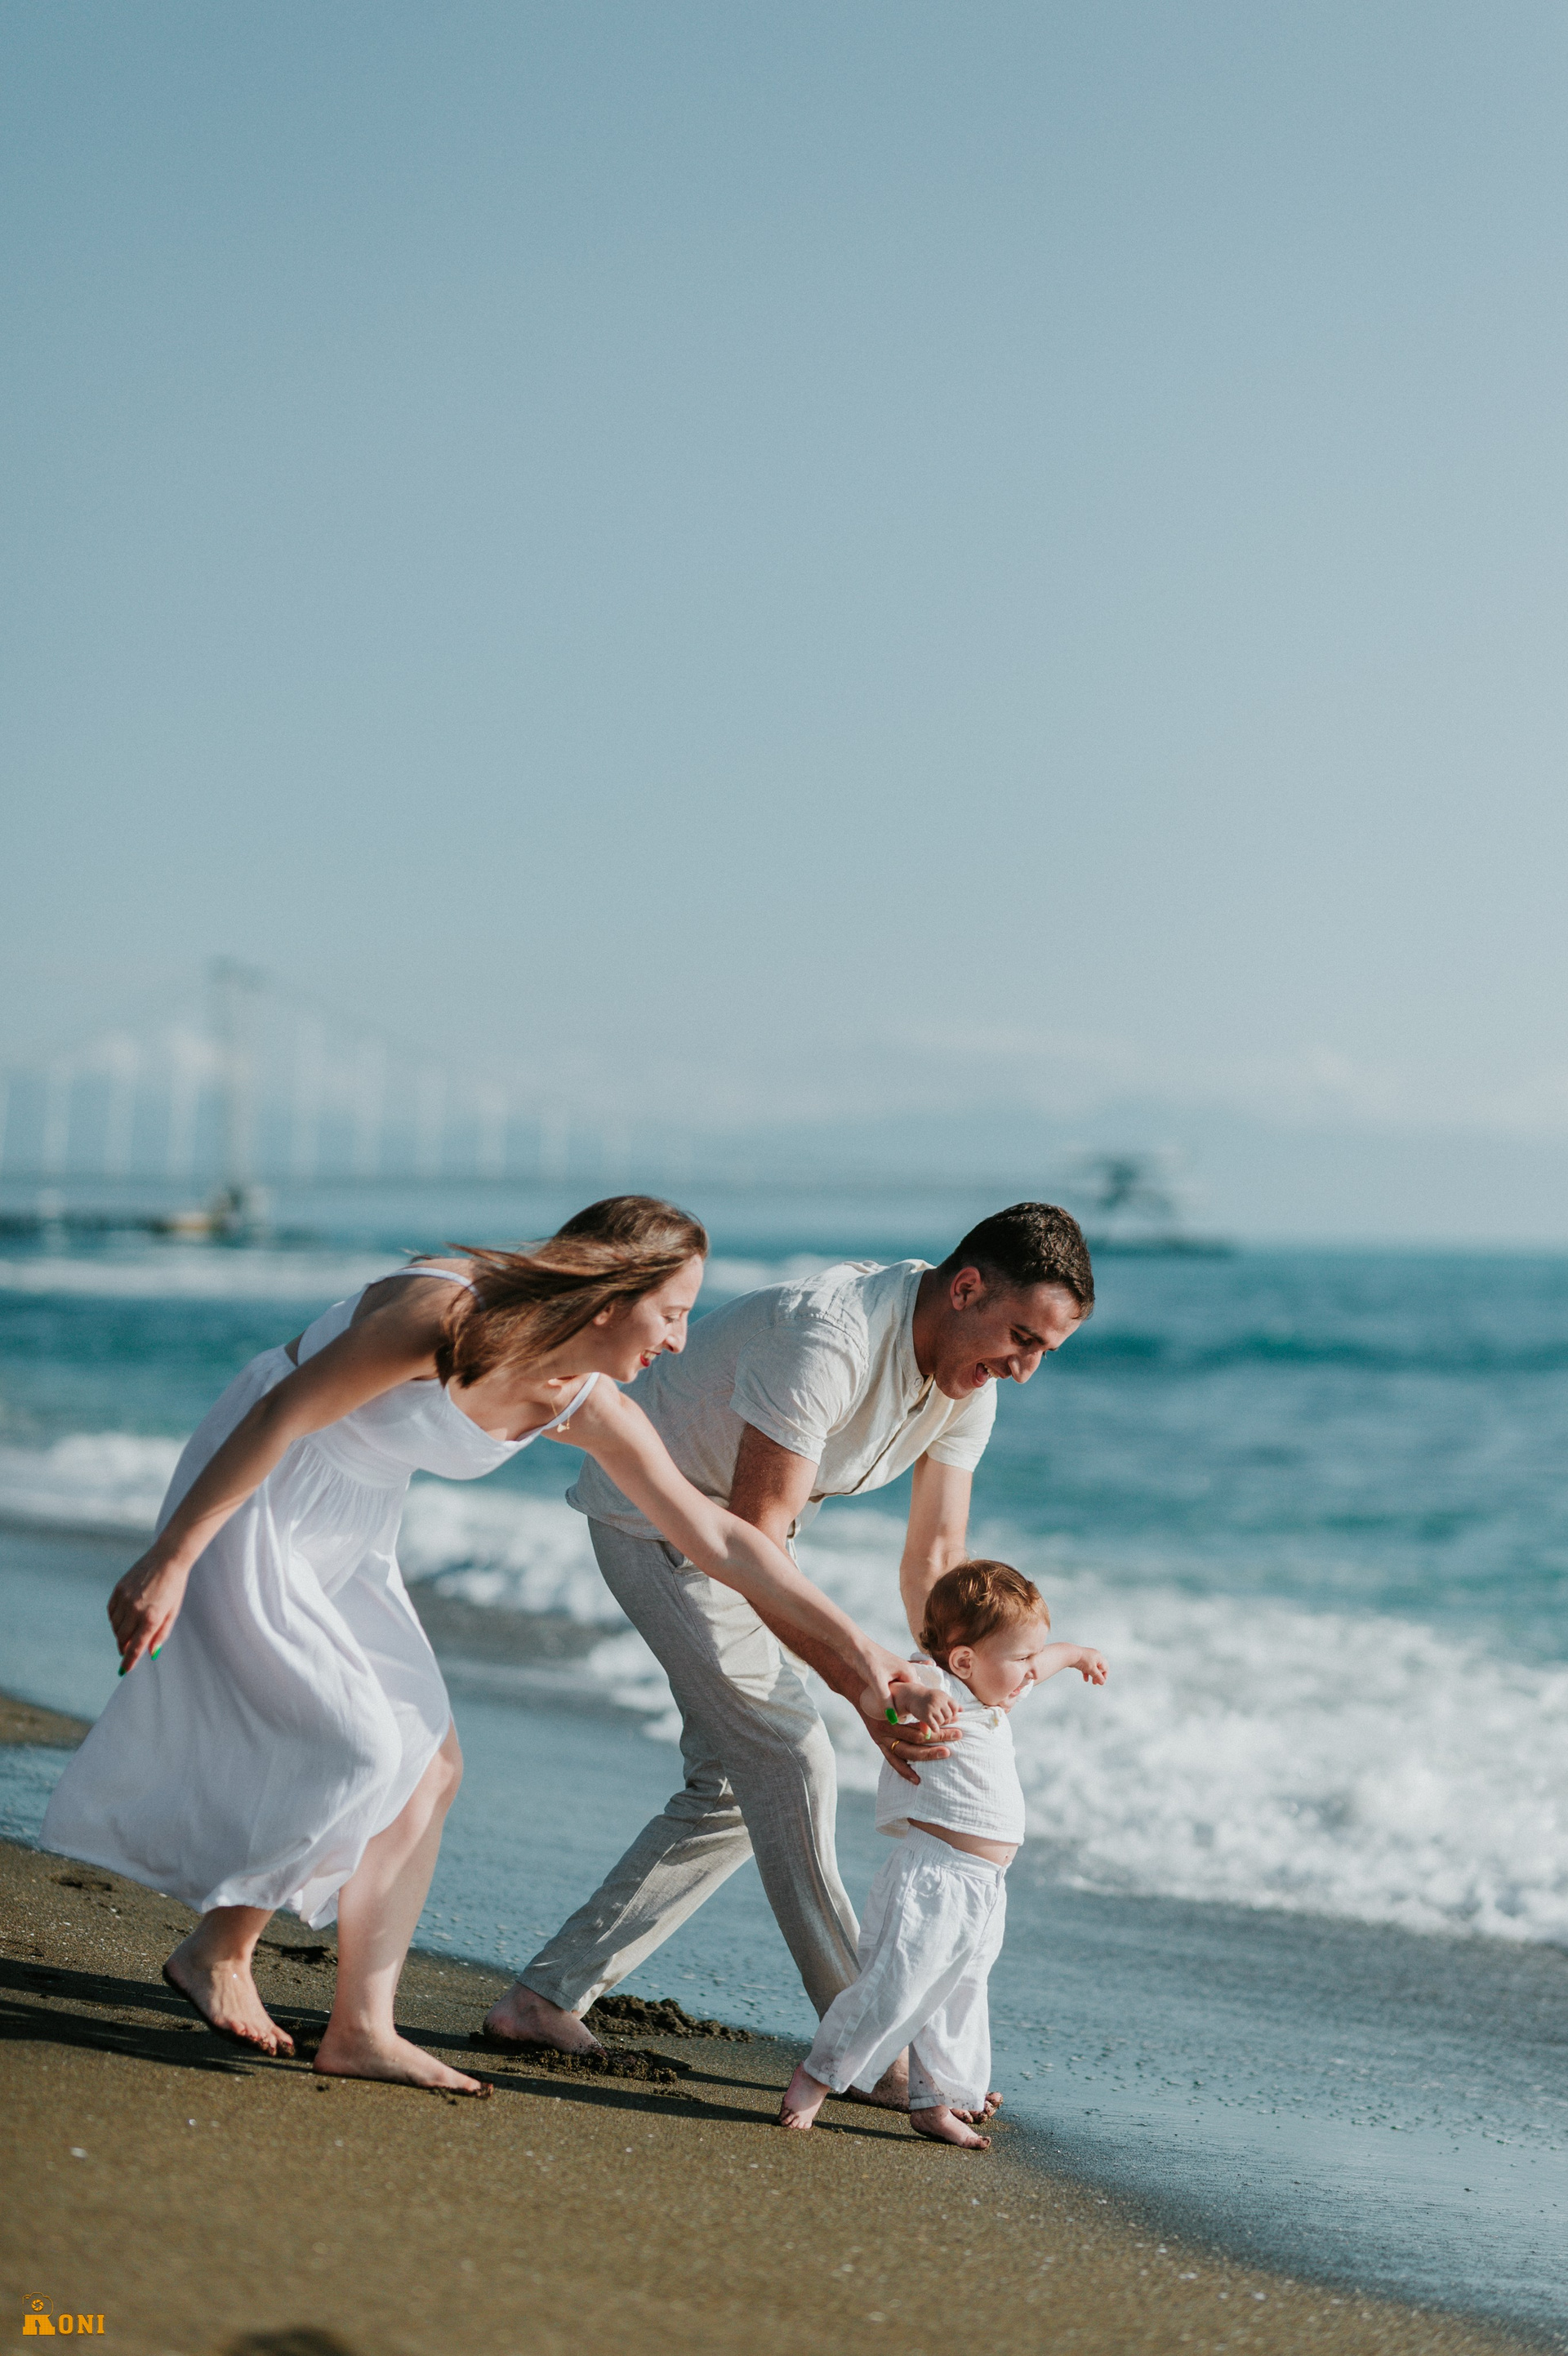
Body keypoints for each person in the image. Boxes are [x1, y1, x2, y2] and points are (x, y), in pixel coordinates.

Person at [41, 1196, 944, 2097]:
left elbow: (722, 1539)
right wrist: (172, 1555)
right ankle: (222, 1949)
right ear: (609, 1296)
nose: (678, 1340)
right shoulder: (442, 1314)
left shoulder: (585, 1399)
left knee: (430, 1768)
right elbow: (282, 1411)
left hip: (353, 1526)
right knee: (365, 1746)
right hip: (257, 1494)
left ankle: (356, 2027)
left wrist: (864, 1655)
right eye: (671, 1313)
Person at [484, 1201, 1094, 2107]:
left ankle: (543, 1998)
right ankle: (873, 2050)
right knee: (793, 1760)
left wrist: (953, 1686)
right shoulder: (829, 1334)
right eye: (1022, 1338)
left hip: (743, 1541)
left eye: (1045, 1349)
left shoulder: (971, 1380)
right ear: (966, 1288)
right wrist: (862, 1678)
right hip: (659, 1524)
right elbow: (755, 1534)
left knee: (734, 1789)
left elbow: (936, 1560)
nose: (1026, 1367)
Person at [778, 1560, 1107, 2146]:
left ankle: (936, 2102)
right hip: (933, 1877)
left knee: (960, 1996)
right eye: (1022, 1659)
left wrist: (1078, 1654)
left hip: (986, 1888)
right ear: (964, 1661)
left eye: (1034, 1659)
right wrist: (916, 1697)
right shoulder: (940, 1684)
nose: (1031, 1673)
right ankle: (818, 2075)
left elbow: (1045, 1661)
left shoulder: (997, 1695)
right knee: (894, 1986)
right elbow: (887, 1690)